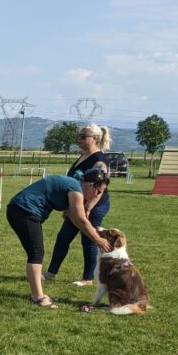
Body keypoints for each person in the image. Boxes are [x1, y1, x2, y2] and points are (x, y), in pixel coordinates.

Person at [6, 169, 111, 309]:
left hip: (20, 210)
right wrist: (99, 240)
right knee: (36, 254)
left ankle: (38, 294)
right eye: (98, 191)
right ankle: (37, 297)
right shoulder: (76, 189)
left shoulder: (74, 185)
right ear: (90, 185)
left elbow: (73, 217)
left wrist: (91, 233)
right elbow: (80, 219)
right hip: (24, 211)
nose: (97, 195)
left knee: (36, 253)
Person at [43, 123, 112, 287]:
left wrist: (87, 208)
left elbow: (100, 188)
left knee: (88, 239)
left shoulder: (99, 160)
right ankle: (50, 274)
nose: (78, 140)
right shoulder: (83, 156)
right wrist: (69, 206)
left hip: (93, 206)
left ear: (94, 139)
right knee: (63, 238)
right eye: (79, 136)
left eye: (83, 137)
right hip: (78, 204)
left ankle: (87, 279)